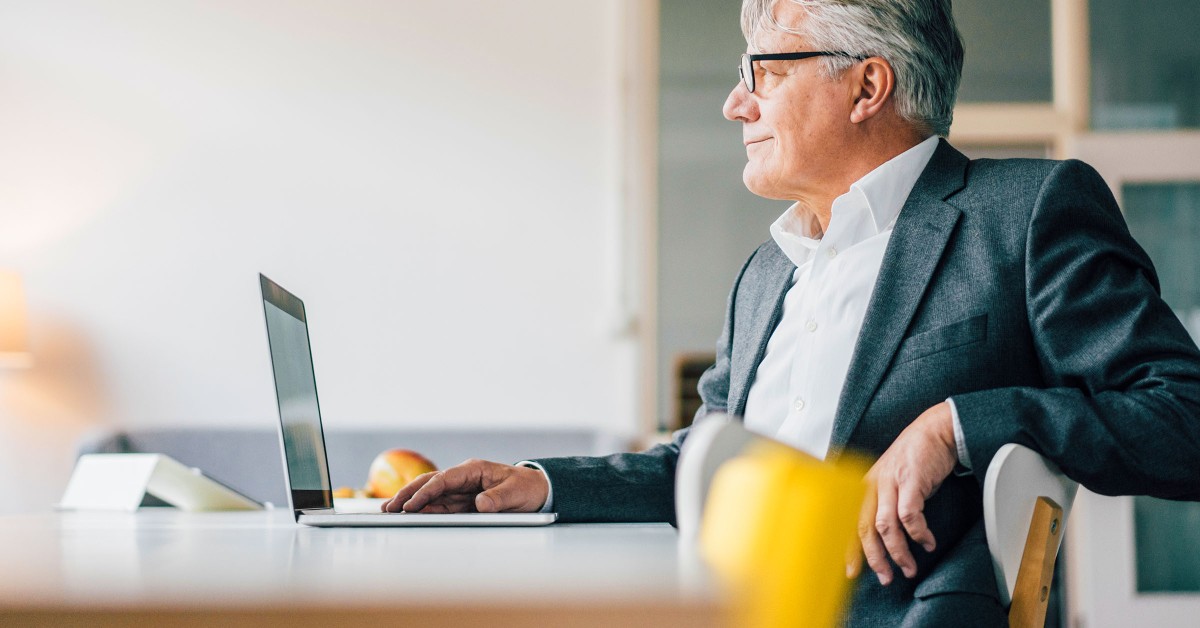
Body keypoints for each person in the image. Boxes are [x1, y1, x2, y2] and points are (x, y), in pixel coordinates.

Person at [383, 0, 1200, 624]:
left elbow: (1183, 420)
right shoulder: (766, 273)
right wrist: (535, 483)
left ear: (867, 86)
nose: (737, 105)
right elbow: (700, 467)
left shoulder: (1023, 212)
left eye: (764, 73)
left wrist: (956, 424)